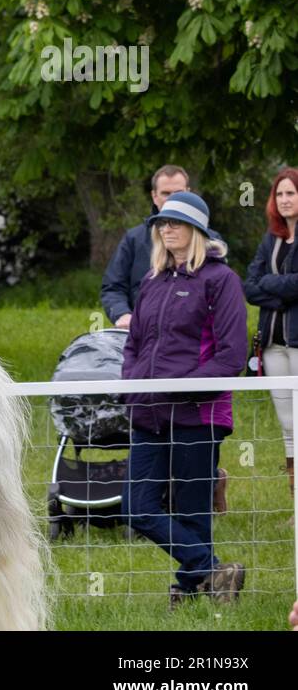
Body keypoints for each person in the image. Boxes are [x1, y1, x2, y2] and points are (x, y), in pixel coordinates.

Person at [119, 192, 248, 609]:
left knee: (194, 509)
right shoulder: (152, 281)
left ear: (196, 231)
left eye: (174, 222)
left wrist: (181, 387)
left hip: (198, 413)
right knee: (138, 508)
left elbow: (232, 355)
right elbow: (134, 345)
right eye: (161, 223)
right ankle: (211, 570)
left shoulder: (220, 280)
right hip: (147, 412)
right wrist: (132, 386)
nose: (165, 228)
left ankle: (189, 590)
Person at [101, 165, 225, 328]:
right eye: (166, 193)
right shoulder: (134, 239)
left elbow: (222, 297)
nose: (172, 199)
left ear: (188, 192)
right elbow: (113, 287)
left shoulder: (211, 240)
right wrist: (122, 314)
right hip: (141, 332)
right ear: (154, 196)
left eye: (179, 193)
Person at [242, 167, 298, 515]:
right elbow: (249, 285)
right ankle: (296, 507)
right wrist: (283, 293)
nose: (285, 199)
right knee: (287, 425)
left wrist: (272, 287)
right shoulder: (270, 239)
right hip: (273, 344)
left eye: (291, 193)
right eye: (280, 194)